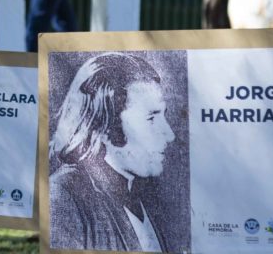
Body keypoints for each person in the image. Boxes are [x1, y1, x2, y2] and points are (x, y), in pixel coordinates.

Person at [48, 53, 178, 252]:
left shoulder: (146, 197)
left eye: (163, 115)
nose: (169, 134)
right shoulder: (63, 196)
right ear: (106, 124)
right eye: (151, 118)